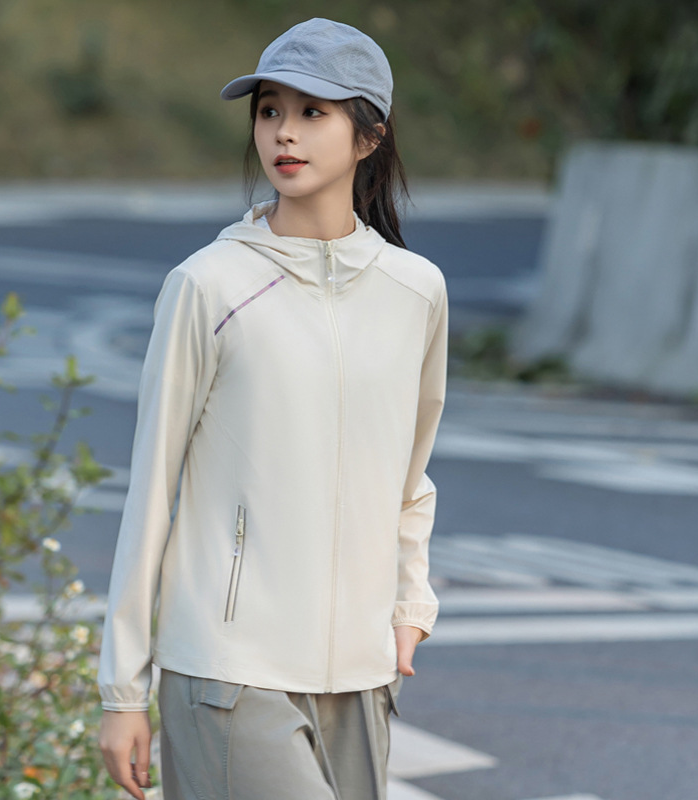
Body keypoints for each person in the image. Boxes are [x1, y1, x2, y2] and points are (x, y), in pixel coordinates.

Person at [97, 17, 448, 800]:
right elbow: (151, 492)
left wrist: (409, 603)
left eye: (312, 112)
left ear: (370, 136)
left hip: (361, 674)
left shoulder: (416, 291)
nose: (283, 133)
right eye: (269, 111)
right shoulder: (208, 285)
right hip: (229, 669)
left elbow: (409, 475)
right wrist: (123, 691)